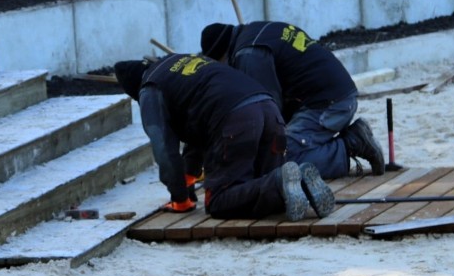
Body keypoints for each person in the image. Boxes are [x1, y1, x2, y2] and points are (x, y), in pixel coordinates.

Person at [113, 53, 335, 221]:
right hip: (270, 111)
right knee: (260, 187)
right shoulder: (180, 64)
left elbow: (163, 149)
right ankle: (302, 182)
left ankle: (278, 182)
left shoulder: (150, 89)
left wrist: (180, 199)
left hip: (236, 120)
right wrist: (188, 177)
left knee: (219, 201)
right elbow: (195, 130)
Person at [201, 21, 384, 179]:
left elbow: (268, 109)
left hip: (329, 105)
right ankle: (337, 143)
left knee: (281, 161)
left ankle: (351, 144)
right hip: (331, 96)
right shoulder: (256, 31)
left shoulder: (249, 54)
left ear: (221, 57)